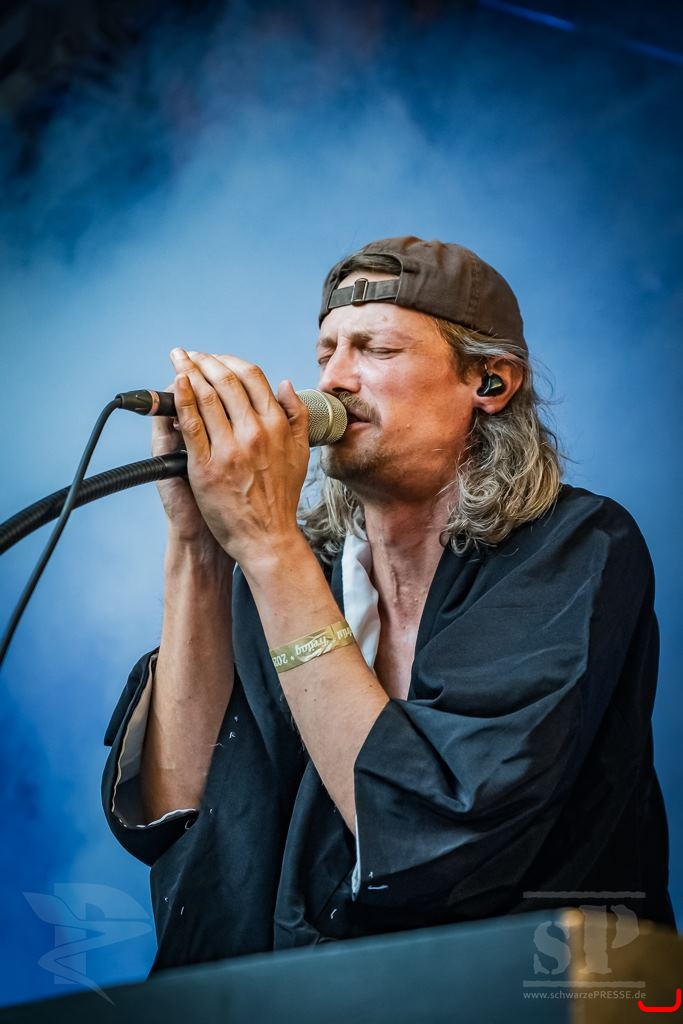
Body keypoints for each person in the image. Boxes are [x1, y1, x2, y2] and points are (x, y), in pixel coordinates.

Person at [102, 236, 674, 972]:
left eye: (375, 349)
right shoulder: (295, 569)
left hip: (511, 994)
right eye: (326, 353)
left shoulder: (575, 547)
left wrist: (268, 545)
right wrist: (199, 545)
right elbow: (176, 812)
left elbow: (434, 833)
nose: (334, 380)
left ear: (490, 382)